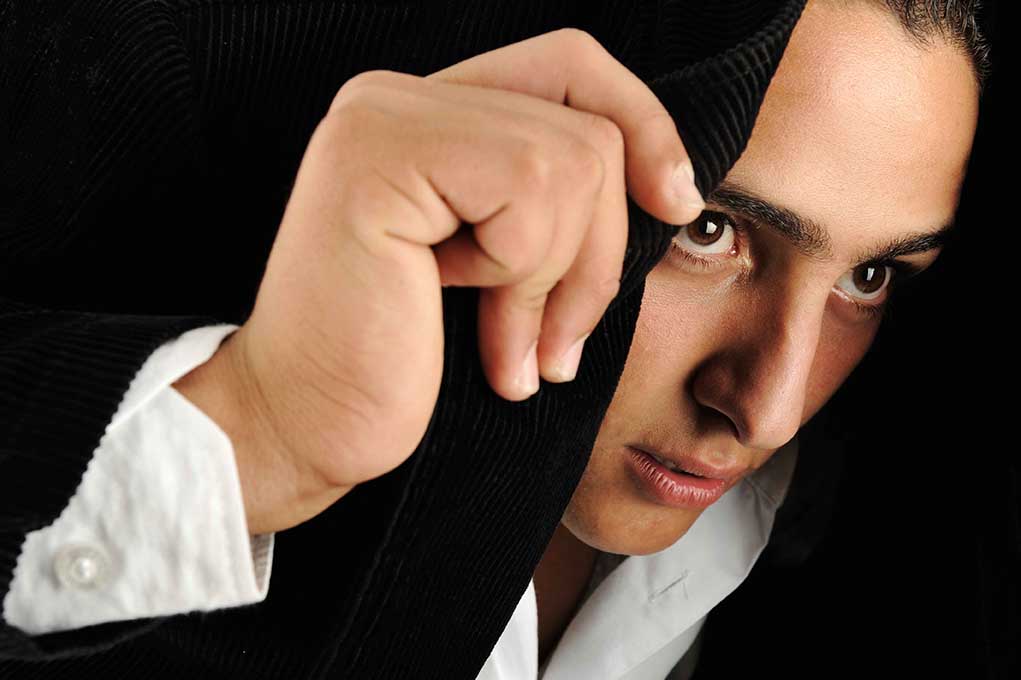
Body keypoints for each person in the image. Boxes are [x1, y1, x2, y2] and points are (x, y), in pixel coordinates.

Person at [0, 0, 995, 678]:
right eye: (706, 229)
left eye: (871, 277)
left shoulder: (879, 563)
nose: (766, 406)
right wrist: (253, 431)